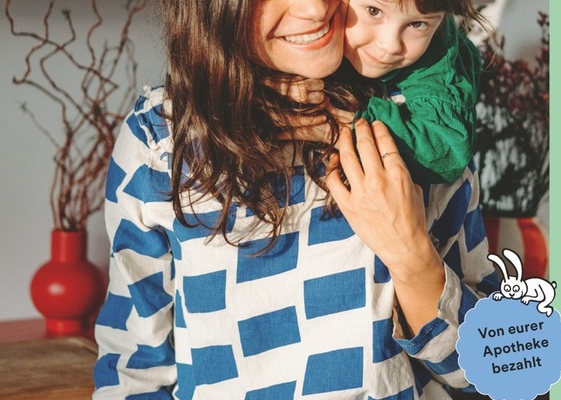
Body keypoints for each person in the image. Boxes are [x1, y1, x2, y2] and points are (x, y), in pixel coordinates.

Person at [93, 0, 498, 398]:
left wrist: (411, 257)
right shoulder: (162, 138)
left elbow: (492, 369)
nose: (314, 9)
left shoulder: (420, 130)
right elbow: (134, 370)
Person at [342, 0, 487, 183]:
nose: (390, 45)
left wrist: (341, 122)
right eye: (374, 11)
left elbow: (446, 151)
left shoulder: (437, 56)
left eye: (417, 24)